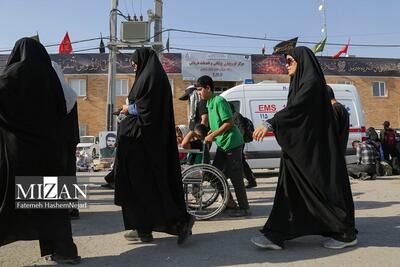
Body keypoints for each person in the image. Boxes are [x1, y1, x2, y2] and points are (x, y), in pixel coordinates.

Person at [251, 46, 357, 250]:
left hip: (314, 153)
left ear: (302, 62)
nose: (286, 65)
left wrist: (270, 123)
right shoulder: (300, 84)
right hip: (300, 152)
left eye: (290, 61)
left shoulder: (312, 84)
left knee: (322, 191)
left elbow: (296, 110)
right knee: (291, 192)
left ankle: (345, 233)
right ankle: (277, 234)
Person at [0, 38, 80, 264]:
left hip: (21, 154)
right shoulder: (52, 76)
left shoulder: (15, 73)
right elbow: (67, 105)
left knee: (9, 202)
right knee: (52, 207)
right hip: (51, 153)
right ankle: (64, 251)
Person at [114, 47, 195, 244]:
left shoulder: (154, 79)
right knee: (139, 188)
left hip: (146, 147)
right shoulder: (148, 78)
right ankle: (143, 227)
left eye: (135, 63)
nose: (134, 66)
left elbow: (148, 109)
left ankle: (180, 222)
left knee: (150, 187)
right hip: (139, 145)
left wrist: (128, 108)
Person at [196, 75, 251, 217]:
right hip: (222, 144)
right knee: (214, 175)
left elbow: (228, 123)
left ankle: (244, 208)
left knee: (235, 176)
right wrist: (210, 132)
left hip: (232, 143)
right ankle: (230, 202)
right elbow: (218, 124)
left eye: (200, 89)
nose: (199, 93)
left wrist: (212, 136)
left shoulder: (219, 101)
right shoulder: (209, 103)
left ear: (208, 88)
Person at [52, 61, 80, 219]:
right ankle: (71, 208)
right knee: (68, 174)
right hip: (68, 142)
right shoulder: (70, 94)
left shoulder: (48, 94)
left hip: (55, 143)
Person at [229, 102, 257, 188]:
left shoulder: (236, 115)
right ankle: (250, 180)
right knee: (241, 161)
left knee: (240, 161)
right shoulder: (232, 116)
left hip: (238, 142)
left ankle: (249, 180)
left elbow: (242, 129)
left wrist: (239, 142)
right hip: (237, 142)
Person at [326, 85, 349, 155]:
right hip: (340, 150)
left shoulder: (334, 109)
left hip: (335, 151)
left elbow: (333, 131)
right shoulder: (341, 107)